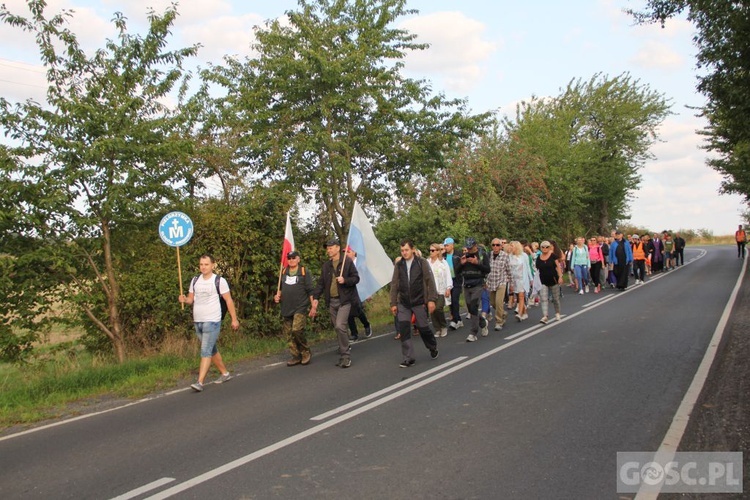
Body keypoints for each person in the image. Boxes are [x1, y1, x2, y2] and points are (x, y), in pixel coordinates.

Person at [179, 254, 240, 392]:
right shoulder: (195, 280)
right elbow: (191, 299)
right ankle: (225, 373)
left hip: (212, 320)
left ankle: (200, 382)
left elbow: (228, 300)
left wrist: (234, 319)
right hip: (198, 321)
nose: (203, 267)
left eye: (206, 264)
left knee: (205, 350)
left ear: (212, 265)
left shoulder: (219, 281)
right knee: (211, 349)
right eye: (201, 264)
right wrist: (184, 299)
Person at [311, 238, 360, 369]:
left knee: (339, 326)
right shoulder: (326, 266)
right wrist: (316, 298)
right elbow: (321, 283)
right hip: (331, 301)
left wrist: (345, 280)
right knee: (338, 329)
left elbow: (356, 278)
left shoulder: (347, 262)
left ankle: (346, 356)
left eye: (331, 247)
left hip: (344, 300)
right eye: (327, 248)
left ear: (338, 248)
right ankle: (344, 348)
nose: (328, 250)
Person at [390, 239, 439, 367]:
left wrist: (431, 300)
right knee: (404, 329)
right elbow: (394, 284)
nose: (404, 253)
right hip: (404, 303)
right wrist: (393, 303)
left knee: (423, 328)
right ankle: (408, 358)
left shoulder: (421, 262)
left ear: (412, 249)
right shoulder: (399, 265)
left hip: (419, 301)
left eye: (406, 250)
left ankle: (432, 346)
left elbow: (430, 281)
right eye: (402, 251)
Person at [274, 251, 315, 366]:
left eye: (293, 258)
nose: (291, 260)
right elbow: (280, 289)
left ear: (298, 259)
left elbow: (310, 290)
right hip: (286, 307)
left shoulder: (303, 272)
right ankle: (296, 355)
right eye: (289, 258)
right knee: (288, 334)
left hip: (300, 307)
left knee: (296, 329)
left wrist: (313, 306)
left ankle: (305, 351)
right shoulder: (284, 272)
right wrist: (277, 296)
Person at [455, 237, 491, 342]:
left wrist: (477, 263)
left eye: (471, 248)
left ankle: (473, 332)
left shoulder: (482, 255)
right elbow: (457, 271)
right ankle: (483, 323)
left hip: (478, 285)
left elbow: (487, 269)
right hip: (466, 285)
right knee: (471, 309)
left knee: (474, 306)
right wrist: (461, 264)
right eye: (467, 248)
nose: (469, 250)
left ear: (475, 246)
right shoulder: (464, 256)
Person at [344, 246, 372, 341]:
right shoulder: (344, 265)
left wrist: (368, 292)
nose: (346, 254)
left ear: (353, 253)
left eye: (347, 252)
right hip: (349, 292)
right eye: (345, 252)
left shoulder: (360, 264)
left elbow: (366, 278)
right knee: (348, 311)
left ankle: (366, 324)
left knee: (358, 309)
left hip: (360, 291)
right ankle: (354, 333)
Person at [486, 237, 511, 331]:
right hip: (492, 281)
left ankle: (499, 321)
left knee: (499, 301)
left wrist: (511, 284)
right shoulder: (489, 255)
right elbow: (487, 269)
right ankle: (503, 313)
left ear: (501, 246)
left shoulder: (505, 256)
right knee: (493, 302)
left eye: (497, 245)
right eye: (493, 245)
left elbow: (509, 270)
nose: (495, 247)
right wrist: (486, 282)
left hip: (502, 281)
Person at [427, 242, 452, 337]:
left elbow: (448, 276)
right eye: (430, 250)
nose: (431, 252)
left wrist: (448, 288)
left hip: (440, 290)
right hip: (430, 291)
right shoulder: (427, 262)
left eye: (433, 250)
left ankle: (443, 326)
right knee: (432, 310)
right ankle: (437, 328)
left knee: (438, 308)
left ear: (438, 251)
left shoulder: (443, 263)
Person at [536, 241, 563, 324]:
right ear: (540, 248)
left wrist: (560, 277)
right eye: (543, 247)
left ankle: (557, 313)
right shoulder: (538, 257)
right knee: (544, 298)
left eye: (547, 247)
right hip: (543, 280)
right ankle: (545, 316)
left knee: (555, 299)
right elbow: (537, 270)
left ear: (549, 247)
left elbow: (558, 267)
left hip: (553, 279)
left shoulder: (553, 256)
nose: (545, 248)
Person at [508, 241, 533, 322]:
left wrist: (531, 279)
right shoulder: (510, 256)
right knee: (517, 295)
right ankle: (524, 313)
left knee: (521, 296)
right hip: (514, 279)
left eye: (512, 246)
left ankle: (519, 313)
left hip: (522, 278)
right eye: (510, 246)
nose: (511, 247)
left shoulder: (524, 255)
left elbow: (528, 267)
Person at [443, 237, 464, 329]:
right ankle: (458, 319)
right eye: (445, 246)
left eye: (447, 245)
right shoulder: (443, 256)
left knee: (455, 299)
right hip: (448, 281)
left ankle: (454, 320)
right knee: (450, 301)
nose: (446, 247)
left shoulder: (458, 254)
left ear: (452, 245)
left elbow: (462, 267)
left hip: (457, 280)